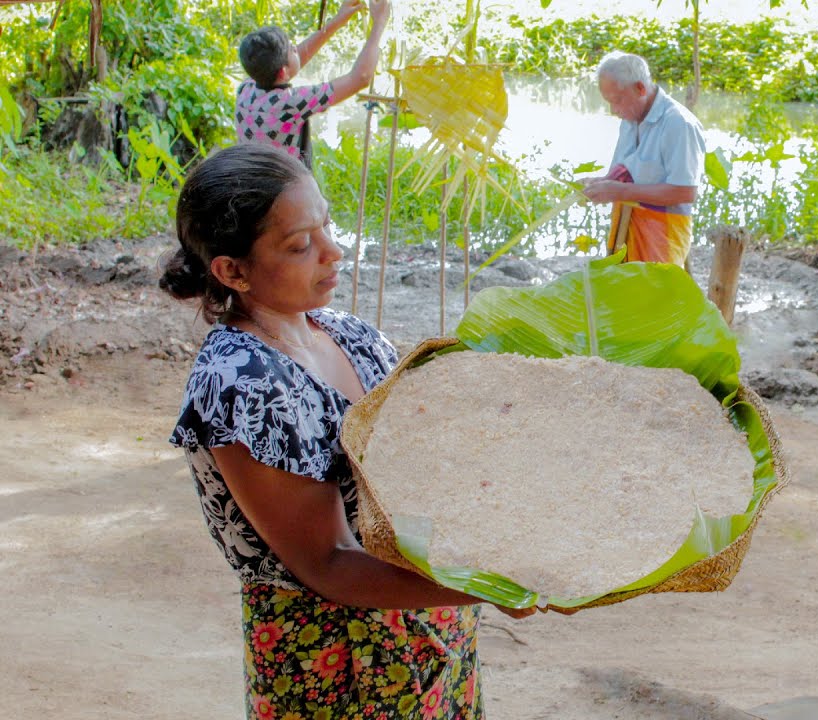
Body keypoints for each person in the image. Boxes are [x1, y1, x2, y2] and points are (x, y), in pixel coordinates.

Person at [161, 143, 531, 719]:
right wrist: (490, 584)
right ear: (233, 271)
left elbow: (419, 454)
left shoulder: (347, 334)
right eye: (299, 245)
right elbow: (329, 562)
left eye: (326, 225)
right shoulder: (241, 383)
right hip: (337, 662)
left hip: (428, 635)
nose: (333, 253)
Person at [581, 51, 706, 266]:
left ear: (640, 88)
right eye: (608, 102)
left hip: (662, 235)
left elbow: (685, 191)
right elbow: (628, 174)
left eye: (617, 100)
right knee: (623, 295)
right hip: (625, 230)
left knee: (656, 297)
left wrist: (619, 191)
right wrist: (599, 184)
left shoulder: (679, 124)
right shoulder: (629, 120)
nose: (614, 110)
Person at [235, 0, 391, 168]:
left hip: (251, 178)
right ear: (282, 72)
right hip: (284, 188)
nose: (296, 48)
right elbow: (361, 77)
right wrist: (379, 23)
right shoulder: (289, 103)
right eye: (292, 48)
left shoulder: (247, 88)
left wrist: (337, 20)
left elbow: (294, 61)